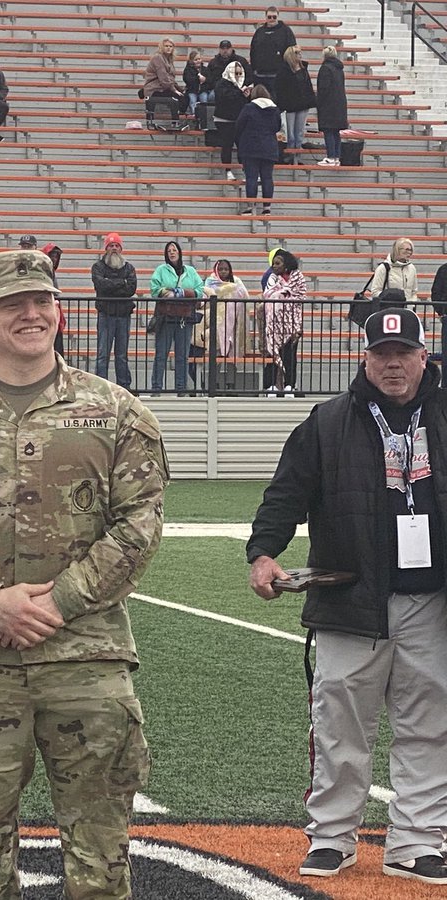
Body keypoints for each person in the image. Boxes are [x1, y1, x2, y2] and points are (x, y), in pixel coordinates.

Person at [0, 248, 166, 900]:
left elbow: (139, 525)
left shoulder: (119, 414)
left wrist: (60, 601)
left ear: (61, 311)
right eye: (15, 304)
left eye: (42, 301)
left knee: (100, 856)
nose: (32, 314)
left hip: (88, 659)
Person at [247, 305, 447, 887]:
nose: (393, 366)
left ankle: (416, 840)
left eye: (403, 355)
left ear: (422, 356)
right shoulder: (327, 421)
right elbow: (286, 493)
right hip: (350, 596)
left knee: (430, 724)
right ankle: (332, 836)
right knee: (339, 722)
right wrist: (262, 552)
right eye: (382, 356)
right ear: (365, 358)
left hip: (430, 599)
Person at [149, 239, 203, 394]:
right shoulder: (160, 270)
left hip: (185, 319)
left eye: (174, 250)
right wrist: (167, 292)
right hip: (166, 317)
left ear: (179, 252)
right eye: (169, 251)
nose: (172, 252)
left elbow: (200, 289)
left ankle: (181, 389)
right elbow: (154, 289)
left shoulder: (191, 271)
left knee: (182, 356)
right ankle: (156, 388)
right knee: (161, 355)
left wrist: (184, 293)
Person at [91, 232, 137, 390]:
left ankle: (124, 387)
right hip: (106, 315)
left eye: (117, 245)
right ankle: (100, 387)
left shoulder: (129, 267)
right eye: (111, 246)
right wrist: (121, 283)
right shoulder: (98, 266)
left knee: (122, 355)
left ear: (121, 248)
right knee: (103, 354)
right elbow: (100, 285)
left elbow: (131, 288)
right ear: (106, 248)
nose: (114, 248)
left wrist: (110, 283)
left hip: (123, 316)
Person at [261, 248, 305, 395]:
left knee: (290, 355)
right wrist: (283, 293)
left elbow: (300, 296)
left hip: (293, 322)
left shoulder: (298, 277)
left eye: (278, 263)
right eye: (273, 263)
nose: (274, 266)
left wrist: (282, 293)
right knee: (273, 353)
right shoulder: (272, 278)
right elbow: (268, 294)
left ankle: (289, 385)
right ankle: (270, 385)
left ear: (286, 264)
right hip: (274, 322)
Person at [236, 84, 282, 216]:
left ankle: (251, 206)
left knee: (251, 177)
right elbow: (277, 127)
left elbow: (239, 125)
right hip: (269, 146)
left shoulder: (249, 108)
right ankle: (267, 207)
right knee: (267, 177)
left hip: (251, 146)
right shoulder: (275, 109)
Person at [203, 258, 250, 368]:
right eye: (220, 269)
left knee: (231, 353)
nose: (223, 271)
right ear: (216, 270)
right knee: (217, 353)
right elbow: (205, 297)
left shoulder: (236, 281)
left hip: (233, 321)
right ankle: (215, 383)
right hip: (216, 322)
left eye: (226, 269)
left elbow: (245, 296)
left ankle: (231, 381)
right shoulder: (210, 281)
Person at [274, 46, 316, 163]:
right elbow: (280, 88)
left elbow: (308, 86)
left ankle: (297, 156)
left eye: (300, 52)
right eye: (297, 53)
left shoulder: (303, 69)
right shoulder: (284, 70)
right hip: (290, 105)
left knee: (299, 132)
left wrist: (311, 99)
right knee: (290, 133)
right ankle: (289, 154)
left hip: (303, 103)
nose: (300, 55)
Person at [213, 61, 251, 181]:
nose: (238, 76)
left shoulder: (241, 85)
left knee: (243, 146)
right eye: (236, 73)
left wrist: (246, 95)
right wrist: (240, 93)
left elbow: (243, 103)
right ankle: (228, 170)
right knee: (227, 145)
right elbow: (224, 98)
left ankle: (246, 170)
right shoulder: (221, 83)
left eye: (240, 73)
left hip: (238, 120)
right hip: (223, 120)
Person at [250, 6, 297, 92]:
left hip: (279, 75)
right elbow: (253, 51)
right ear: (266, 17)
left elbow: (292, 51)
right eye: (269, 17)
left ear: (278, 17)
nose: (272, 19)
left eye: (274, 17)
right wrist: (254, 69)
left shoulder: (286, 31)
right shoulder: (259, 32)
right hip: (260, 74)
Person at [316, 46, 349, 167]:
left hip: (328, 104)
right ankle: (336, 157)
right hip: (339, 103)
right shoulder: (339, 69)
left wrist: (318, 101)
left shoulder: (325, 69)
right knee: (336, 132)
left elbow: (323, 89)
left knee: (328, 130)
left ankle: (330, 156)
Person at [365, 238, 419, 303]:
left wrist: (411, 305)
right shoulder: (383, 268)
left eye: (411, 250)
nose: (409, 252)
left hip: (407, 309)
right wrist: (389, 298)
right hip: (388, 309)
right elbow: (375, 292)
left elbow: (414, 291)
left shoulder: (412, 268)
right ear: (397, 250)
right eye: (407, 249)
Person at [142, 38, 184, 117]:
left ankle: (177, 119)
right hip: (154, 89)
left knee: (183, 95)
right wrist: (174, 90)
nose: (168, 48)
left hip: (163, 87)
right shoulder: (158, 58)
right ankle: (175, 121)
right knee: (176, 97)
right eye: (166, 46)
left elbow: (171, 78)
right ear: (162, 47)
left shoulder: (169, 60)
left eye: (171, 46)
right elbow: (163, 78)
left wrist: (180, 89)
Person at [183, 49, 212, 115]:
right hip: (192, 90)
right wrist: (197, 79)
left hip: (203, 90)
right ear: (191, 61)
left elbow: (210, 79)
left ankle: (204, 115)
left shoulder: (205, 69)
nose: (198, 61)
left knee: (204, 100)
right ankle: (194, 114)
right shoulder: (188, 69)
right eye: (196, 60)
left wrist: (205, 79)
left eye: (199, 59)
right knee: (192, 101)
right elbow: (187, 79)